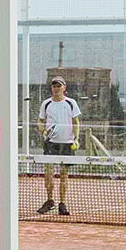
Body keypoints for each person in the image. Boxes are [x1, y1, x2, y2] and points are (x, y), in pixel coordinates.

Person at [36, 76, 81, 216]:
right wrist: (43, 131)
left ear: (64, 87)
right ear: (52, 88)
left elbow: (76, 122)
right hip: (51, 143)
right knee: (48, 173)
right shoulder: (46, 104)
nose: (56, 88)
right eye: (54, 85)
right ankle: (50, 201)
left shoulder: (71, 103)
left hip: (67, 143)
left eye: (59, 85)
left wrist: (76, 138)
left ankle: (62, 203)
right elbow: (40, 120)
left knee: (64, 174)